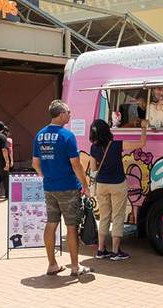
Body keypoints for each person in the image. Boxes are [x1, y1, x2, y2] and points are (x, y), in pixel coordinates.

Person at [33, 100, 91, 278]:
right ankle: (75, 266)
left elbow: (35, 163)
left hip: (49, 187)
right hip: (67, 187)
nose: (70, 115)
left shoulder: (39, 135)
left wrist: (46, 174)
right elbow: (76, 164)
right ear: (61, 114)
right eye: (68, 112)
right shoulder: (67, 135)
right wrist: (85, 185)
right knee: (71, 226)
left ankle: (52, 264)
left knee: (51, 223)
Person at [88, 118, 147, 260]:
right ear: (107, 131)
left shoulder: (93, 148)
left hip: (101, 185)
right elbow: (141, 143)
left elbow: (93, 169)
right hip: (117, 184)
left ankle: (101, 250)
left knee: (104, 217)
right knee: (118, 217)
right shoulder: (116, 145)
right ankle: (115, 251)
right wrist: (144, 128)